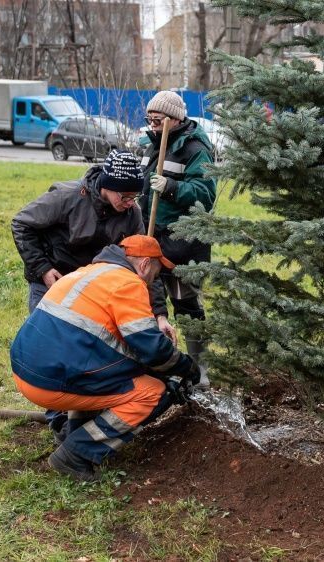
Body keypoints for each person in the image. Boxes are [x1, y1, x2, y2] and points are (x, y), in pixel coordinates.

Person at [11, 150, 178, 439]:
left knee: (89, 351)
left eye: (133, 198)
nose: (129, 203)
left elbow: (144, 262)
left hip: (95, 290)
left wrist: (160, 314)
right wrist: (42, 268)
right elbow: (21, 223)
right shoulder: (67, 197)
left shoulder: (131, 213)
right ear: (107, 185)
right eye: (124, 196)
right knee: (55, 349)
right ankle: (60, 421)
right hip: (54, 281)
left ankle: (87, 407)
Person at [10, 235, 200, 481]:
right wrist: (186, 368)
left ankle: (74, 432)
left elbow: (106, 341)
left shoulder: (89, 272)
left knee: (107, 372)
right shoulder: (129, 284)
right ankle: (77, 453)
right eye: (156, 271)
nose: (155, 280)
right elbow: (151, 349)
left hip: (26, 370)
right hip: (50, 382)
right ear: (143, 265)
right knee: (153, 392)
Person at [139, 90, 216, 386]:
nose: (152, 124)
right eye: (149, 119)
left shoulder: (194, 148)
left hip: (185, 242)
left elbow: (205, 196)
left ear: (173, 119)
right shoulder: (154, 144)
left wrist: (171, 186)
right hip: (154, 238)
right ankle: (161, 364)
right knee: (149, 299)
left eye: (157, 119)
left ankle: (201, 370)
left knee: (186, 304)